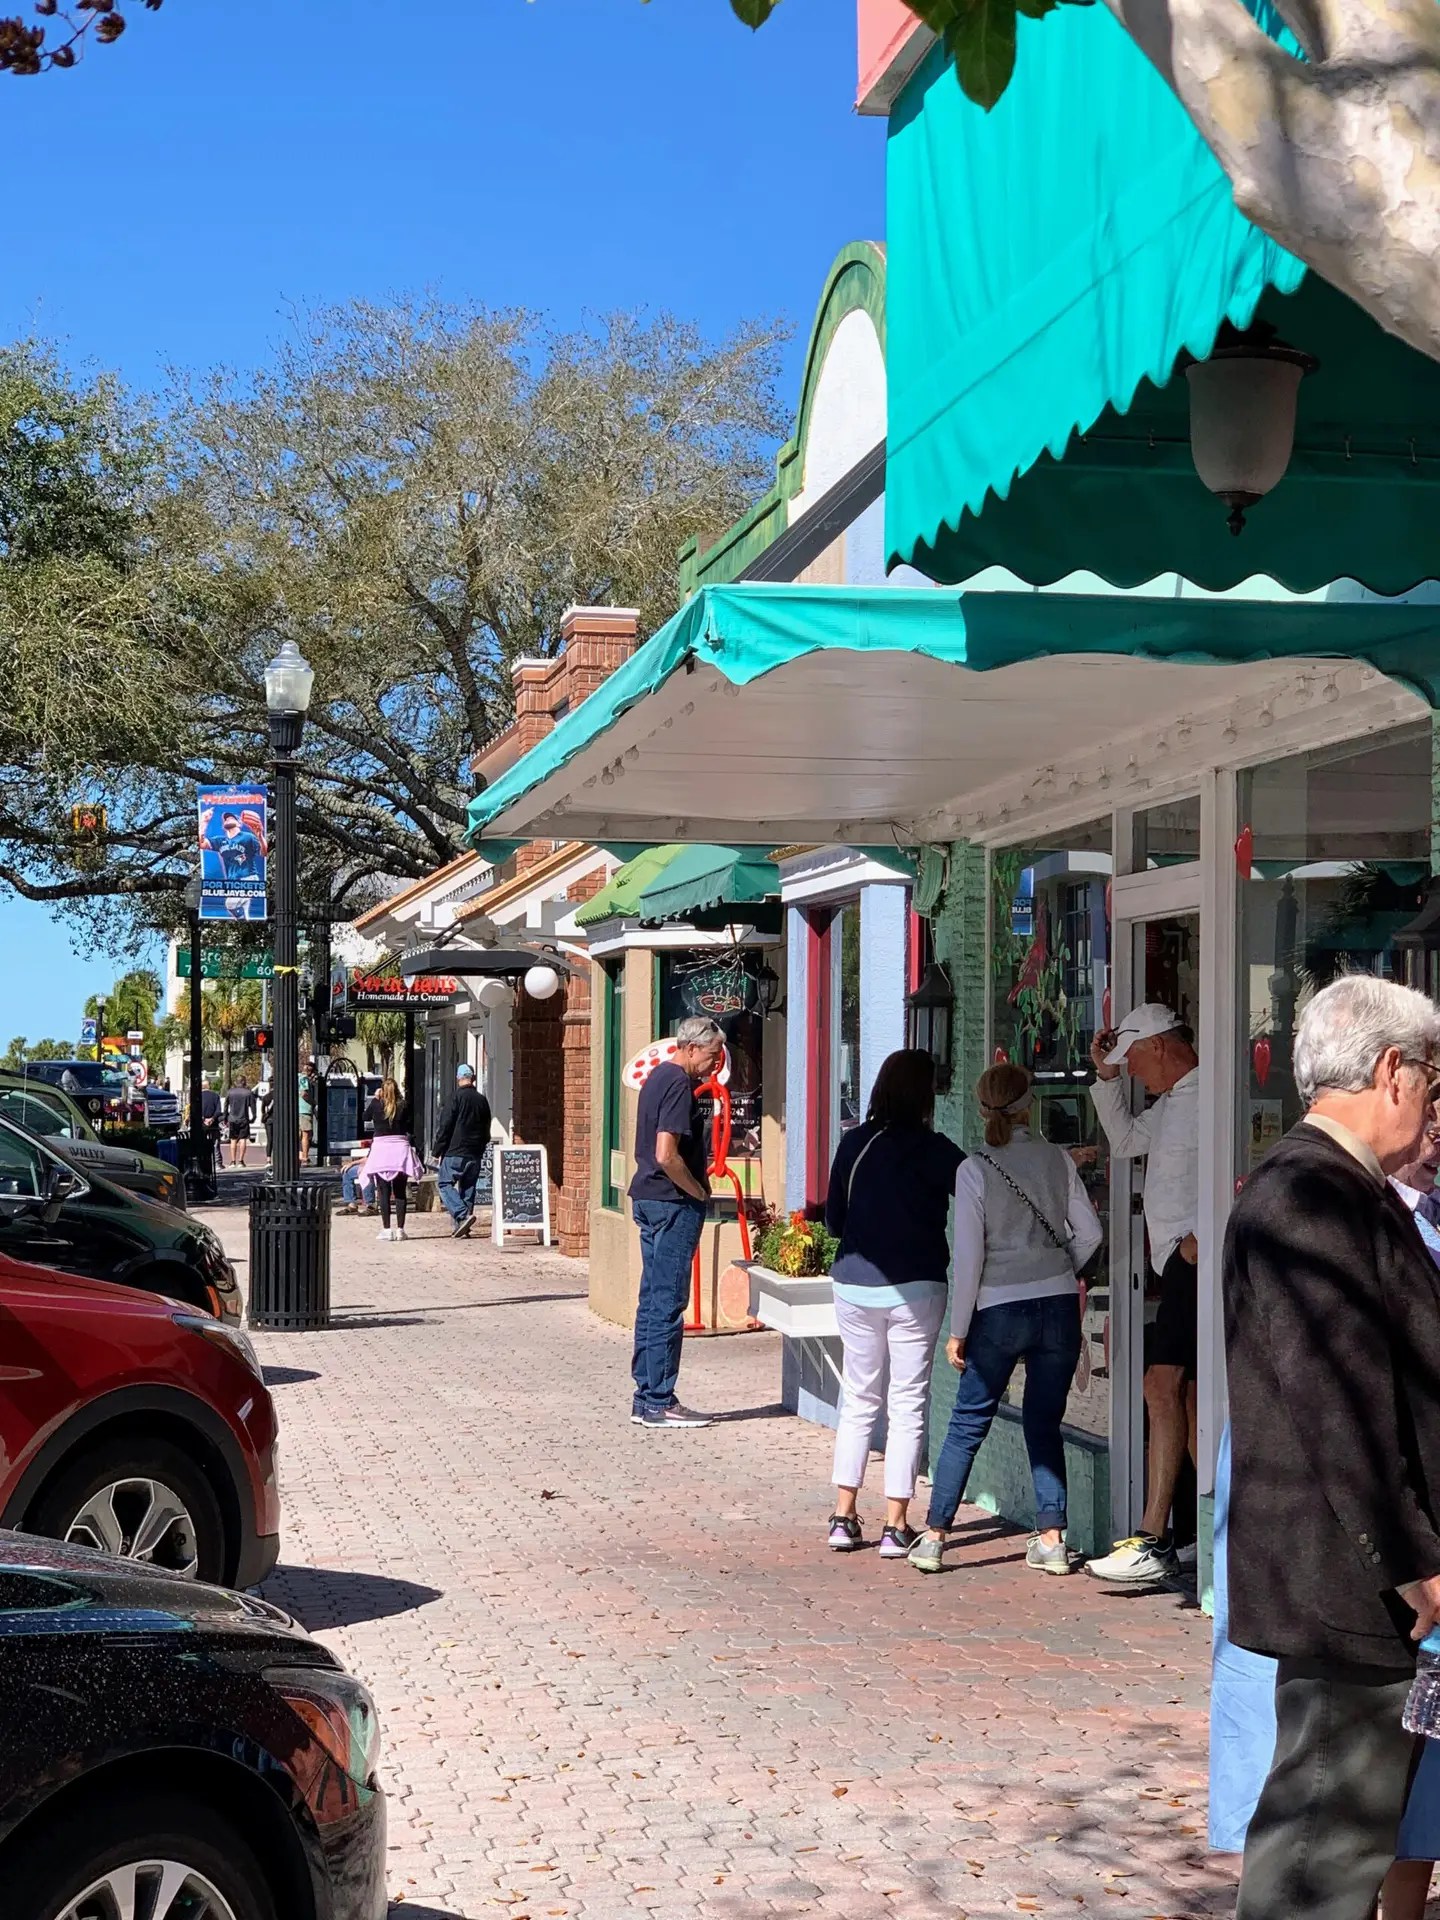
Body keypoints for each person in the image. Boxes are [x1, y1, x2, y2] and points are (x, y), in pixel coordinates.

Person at [1225, 973, 1440, 1919]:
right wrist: (1413, 1567)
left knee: (1336, 1845)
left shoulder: (1347, 1189)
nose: (1434, 1104)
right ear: (1393, 1070)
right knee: (1318, 1854)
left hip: (1359, 1585)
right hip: (1348, 1591)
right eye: (1433, 1080)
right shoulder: (1310, 1193)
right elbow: (1340, 1404)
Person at [908, 1063, 1102, 1576]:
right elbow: (1090, 1234)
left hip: (997, 1307)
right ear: (1028, 1104)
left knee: (969, 1419)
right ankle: (1054, 1538)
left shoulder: (975, 1169)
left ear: (981, 1108)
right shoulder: (1058, 1160)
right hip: (1058, 1302)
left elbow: (968, 1258)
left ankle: (934, 1535)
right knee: (1045, 1421)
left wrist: (958, 1331)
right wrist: (1064, 1269)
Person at [823, 1049, 964, 1557]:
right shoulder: (937, 1151)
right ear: (925, 1095)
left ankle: (843, 1515)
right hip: (918, 1285)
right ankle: (896, 1524)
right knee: (908, 1401)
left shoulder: (856, 1143)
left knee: (859, 1398)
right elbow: (978, 1201)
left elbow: (834, 1221)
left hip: (855, 1284)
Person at [1084, 1003, 1199, 1584]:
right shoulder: (1173, 1102)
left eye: (1132, 1060)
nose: (1131, 1071)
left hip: (1193, 1262)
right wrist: (1104, 1079)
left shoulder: (1211, 1094)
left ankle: (1154, 1536)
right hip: (1175, 1261)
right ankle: (1209, 1530)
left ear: (1158, 1045)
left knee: (1161, 1385)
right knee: (1191, 1398)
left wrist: (1200, 1238)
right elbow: (1126, 1141)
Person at [628, 1016, 725, 1431]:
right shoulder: (678, 1084)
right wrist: (698, 1192)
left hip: (649, 1198)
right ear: (689, 1048)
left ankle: (645, 1395)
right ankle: (658, 1400)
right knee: (668, 1301)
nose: (715, 1063)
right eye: (710, 1054)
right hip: (671, 1203)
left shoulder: (656, 1078)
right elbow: (667, 1153)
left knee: (652, 1300)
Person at [433, 1063, 493, 1239]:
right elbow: (486, 1127)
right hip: (475, 1151)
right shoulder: (482, 1100)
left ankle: (462, 1215)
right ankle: (462, 1227)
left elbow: (445, 1126)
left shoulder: (455, 1098)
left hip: (455, 1150)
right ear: (473, 1078)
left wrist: (437, 1149)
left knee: (444, 1184)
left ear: (458, 1078)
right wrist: (482, 1144)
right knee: (468, 1187)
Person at [360, 1077, 423, 1242]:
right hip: (400, 1149)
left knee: (383, 1192)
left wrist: (375, 1098)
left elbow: (365, 1117)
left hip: (381, 1150)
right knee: (400, 1191)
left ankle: (387, 1229)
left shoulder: (376, 1104)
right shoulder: (403, 1106)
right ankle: (401, 1229)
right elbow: (410, 1126)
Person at [225, 1079, 255, 1167]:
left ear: (235, 1082)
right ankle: (241, 1161)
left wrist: (225, 1117)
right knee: (243, 1139)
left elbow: (226, 1105)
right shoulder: (248, 1093)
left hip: (233, 1119)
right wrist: (254, 1116)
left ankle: (233, 1161)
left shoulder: (230, 1092)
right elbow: (253, 1106)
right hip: (244, 1118)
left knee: (233, 1140)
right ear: (244, 1082)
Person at [298, 1063, 315, 1168]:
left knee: (299, 1134)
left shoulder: (297, 1077)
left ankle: (299, 1156)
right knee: (306, 1135)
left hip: (297, 1108)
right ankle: (304, 1157)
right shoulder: (304, 1079)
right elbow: (304, 1094)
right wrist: (314, 1102)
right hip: (304, 1109)